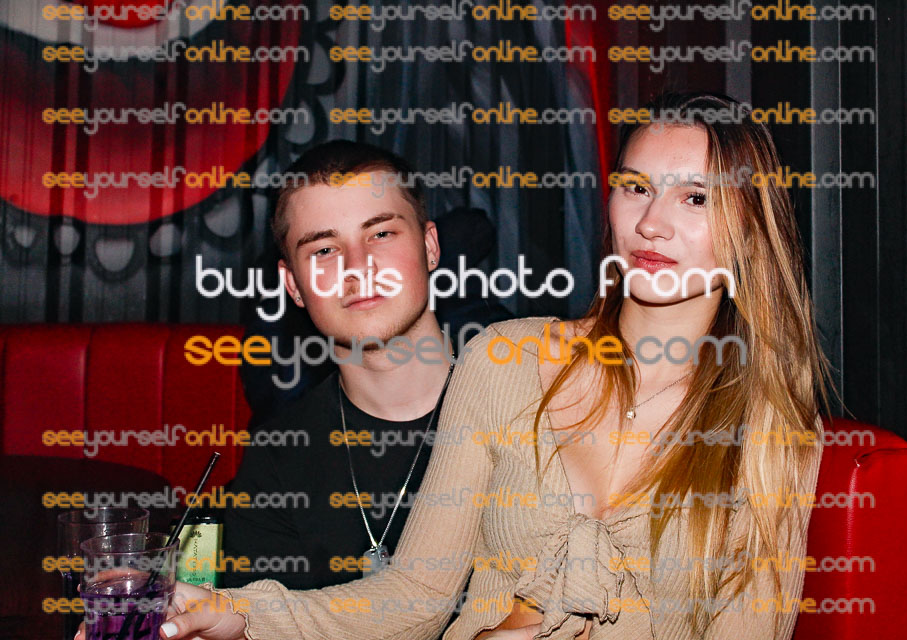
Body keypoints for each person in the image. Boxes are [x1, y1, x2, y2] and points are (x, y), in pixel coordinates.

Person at [86, 91, 833, 640]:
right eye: (635, 187)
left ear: (749, 223)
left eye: (695, 197)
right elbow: (416, 596)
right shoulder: (507, 359)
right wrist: (235, 610)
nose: (652, 221)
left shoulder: (771, 433)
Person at [222, 140, 482, 589]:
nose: (358, 267)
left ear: (430, 246)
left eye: (380, 234)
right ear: (293, 285)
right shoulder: (277, 462)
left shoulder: (528, 414)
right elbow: (257, 618)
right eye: (324, 249)